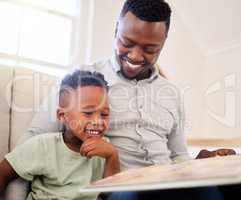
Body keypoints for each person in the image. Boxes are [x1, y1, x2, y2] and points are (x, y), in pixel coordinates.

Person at [20, 0, 235, 199]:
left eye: (150, 49)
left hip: (170, 183)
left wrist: (199, 163)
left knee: (223, 186)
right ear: (116, 30)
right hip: (121, 188)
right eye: (127, 42)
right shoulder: (83, 82)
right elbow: (34, 138)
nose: (135, 56)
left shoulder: (172, 92)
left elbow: (178, 155)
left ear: (163, 42)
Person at [0, 70, 120, 200]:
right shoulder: (43, 145)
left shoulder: (105, 149)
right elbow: (3, 172)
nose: (98, 122)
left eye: (104, 114)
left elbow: (109, 194)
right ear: (63, 116)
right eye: (88, 113)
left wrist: (112, 156)